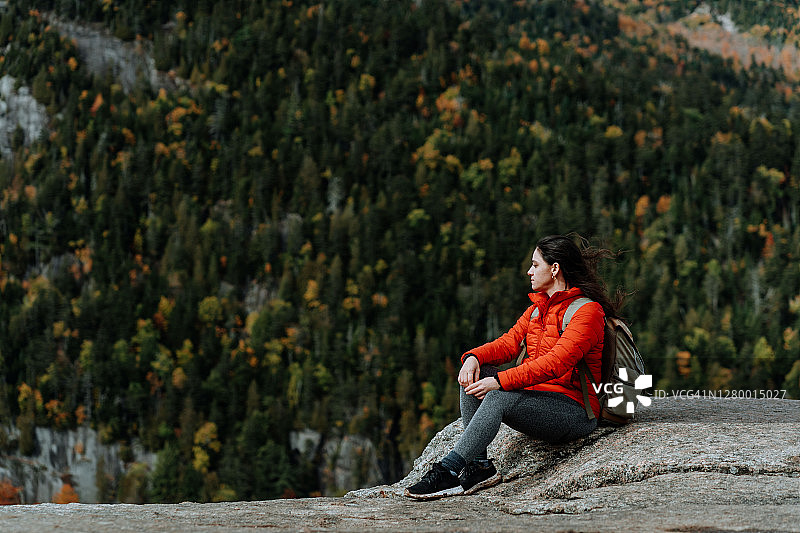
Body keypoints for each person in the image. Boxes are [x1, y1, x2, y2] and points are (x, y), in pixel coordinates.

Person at [405, 234, 621, 499]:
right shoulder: (537, 310)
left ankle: (449, 470)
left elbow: (556, 363)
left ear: (555, 269)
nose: (529, 271)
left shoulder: (587, 312)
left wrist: (500, 382)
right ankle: (478, 467)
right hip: (538, 398)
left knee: (496, 394)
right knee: (477, 374)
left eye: (535, 265)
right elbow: (507, 344)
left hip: (574, 410)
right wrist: (473, 357)